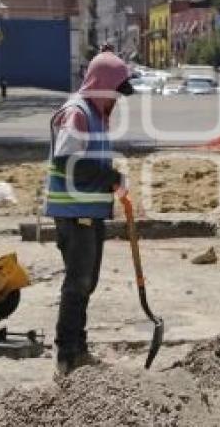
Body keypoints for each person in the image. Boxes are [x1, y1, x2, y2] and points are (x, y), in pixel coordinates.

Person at [44, 52, 134, 376]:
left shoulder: (97, 113)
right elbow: (68, 163)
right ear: (101, 85)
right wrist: (109, 177)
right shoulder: (77, 112)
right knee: (78, 282)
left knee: (87, 281)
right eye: (114, 92)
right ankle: (68, 355)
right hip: (73, 211)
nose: (116, 101)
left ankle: (77, 347)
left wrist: (112, 178)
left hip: (88, 210)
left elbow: (90, 162)